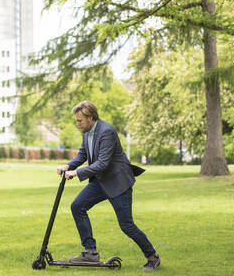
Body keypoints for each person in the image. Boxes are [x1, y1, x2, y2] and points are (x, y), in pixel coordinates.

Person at [57, 101, 160, 271]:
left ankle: (152, 256)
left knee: (126, 225)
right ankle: (90, 252)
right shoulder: (87, 132)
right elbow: (83, 154)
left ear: (90, 117)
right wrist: (68, 166)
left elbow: (102, 163)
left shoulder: (107, 132)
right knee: (77, 206)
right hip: (101, 181)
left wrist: (76, 173)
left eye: (80, 120)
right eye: (76, 120)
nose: (77, 124)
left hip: (118, 182)